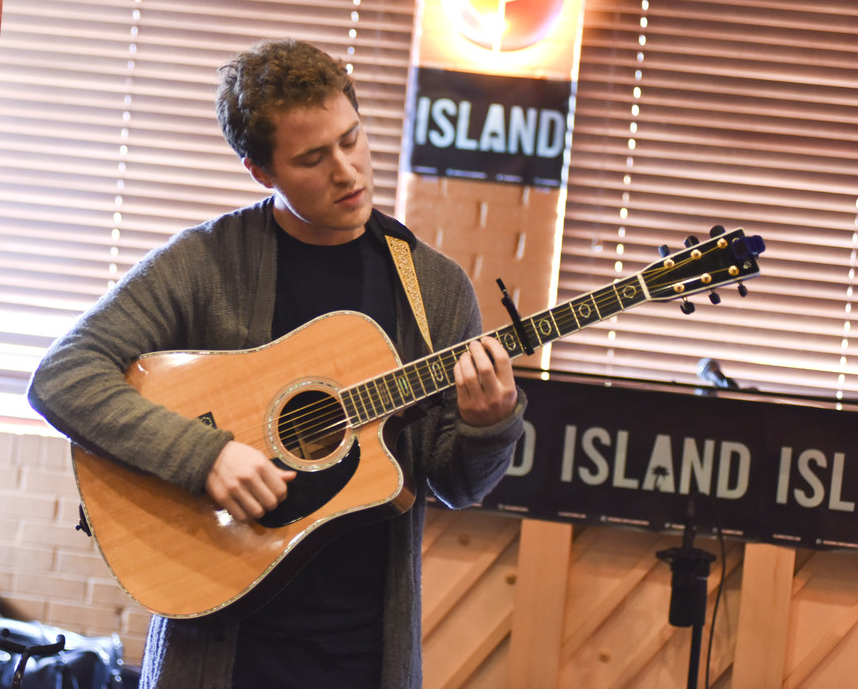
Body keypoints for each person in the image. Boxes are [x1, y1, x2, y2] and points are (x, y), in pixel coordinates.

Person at [27, 38, 526, 689]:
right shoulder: (205, 262)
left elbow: (457, 484)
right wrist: (204, 455)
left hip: (361, 656)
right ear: (261, 172)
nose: (348, 172)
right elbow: (63, 375)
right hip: (215, 646)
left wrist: (489, 424)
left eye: (352, 139)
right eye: (313, 158)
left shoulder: (434, 289)